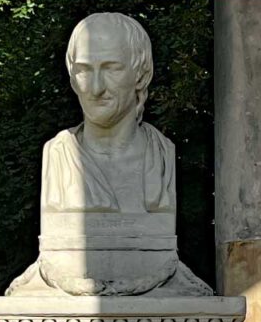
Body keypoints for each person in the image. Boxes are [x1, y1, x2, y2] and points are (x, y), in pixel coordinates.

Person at [41, 12, 175, 214]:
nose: (96, 89)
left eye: (111, 69)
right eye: (84, 70)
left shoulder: (163, 157)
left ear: (141, 75)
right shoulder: (58, 156)